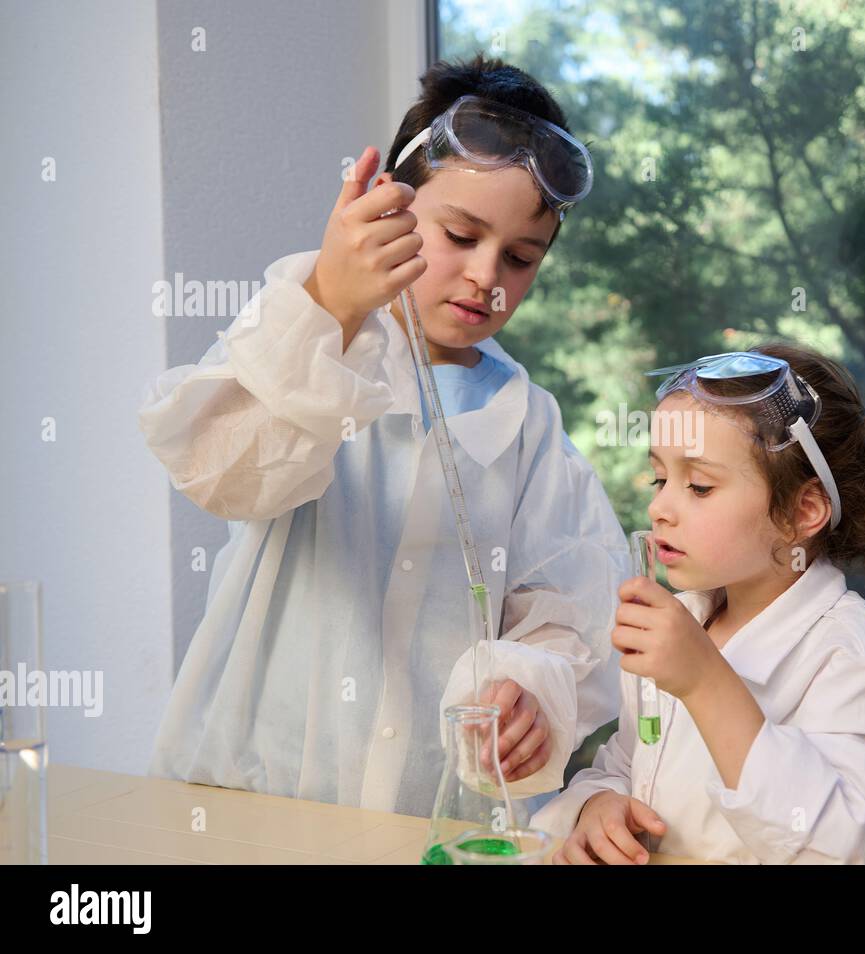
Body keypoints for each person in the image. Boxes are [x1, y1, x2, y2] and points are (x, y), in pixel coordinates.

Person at [138, 54, 627, 818]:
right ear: (391, 206)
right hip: (252, 797)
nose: (485, 276)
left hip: (425, 817)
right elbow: (217, 473)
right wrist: (330, 301)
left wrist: (533, 694)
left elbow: (567, 615)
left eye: (521, 257)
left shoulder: (529, 426)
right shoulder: (311, 333)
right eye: (460, 234)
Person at [534, 345, 865, 863]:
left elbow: (830, 843)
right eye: (660, 479)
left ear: (802, 512)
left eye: (700, 486)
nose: (659, 507)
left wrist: (706, 682)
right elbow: (629, 762)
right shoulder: (686, 620)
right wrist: (598, 805)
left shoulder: (854, 658)